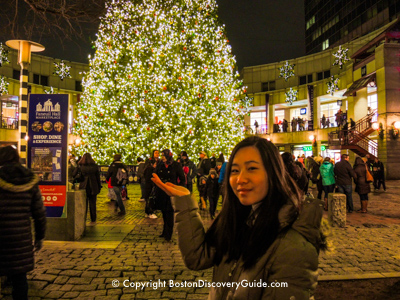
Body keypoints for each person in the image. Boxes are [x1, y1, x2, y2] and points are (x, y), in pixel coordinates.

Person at [151, 136, 326, 299]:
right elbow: (197, 257)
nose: (240, 179)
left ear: (273, 173)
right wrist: (184, 202)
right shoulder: (239, 219)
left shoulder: (293, 245)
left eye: (252, 168)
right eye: (235, 170)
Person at [0, 145, 46, 299]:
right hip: (21, 238)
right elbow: (39, 213)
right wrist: (39, 237)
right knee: (20, 278)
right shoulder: (29, 179)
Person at [155, 149, 185, 241]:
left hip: (171, 192)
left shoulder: (176, 165)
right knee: (164, 212)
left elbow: (182, 178)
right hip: (162, 191)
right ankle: (164, 231)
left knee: (170, 213)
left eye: (164, 156)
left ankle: (169, 233)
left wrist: (178, 188)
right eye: (162, 156)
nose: (162, 158)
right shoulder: (160, 164)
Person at [73, 153, 102, 224]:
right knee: (93, 203)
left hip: (83, 186)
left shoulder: (80, 166)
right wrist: (99, 186)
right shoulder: (94, 166)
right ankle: (93, 219)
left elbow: (73, 174)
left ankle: (84, 218)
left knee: (83, 203)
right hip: (93, 186)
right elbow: (98, 177)